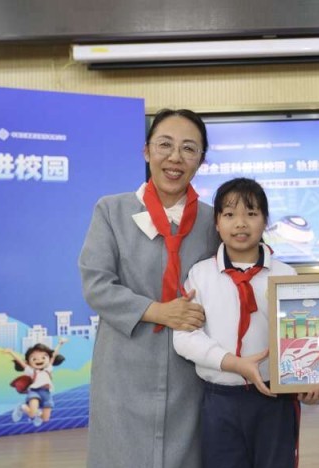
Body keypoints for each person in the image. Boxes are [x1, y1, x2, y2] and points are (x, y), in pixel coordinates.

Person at [79, 109, 220, 468]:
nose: (175, 158)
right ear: (146, 151)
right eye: (165, 145)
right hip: (123, 369)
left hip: (188, 372)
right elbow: (96, 283)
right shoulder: (111, 210)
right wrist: (158, 311)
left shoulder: (213, 220)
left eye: (189, 148)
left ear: (201, 159)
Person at [173, 178, 319, 468]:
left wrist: (314, 381)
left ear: (266, 221)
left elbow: (307, 338)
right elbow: (184, 337)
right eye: (230, 214)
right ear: (216, 223)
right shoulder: (200, 274)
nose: (240, 223)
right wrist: (234, 363)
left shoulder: (286, 276)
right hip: (219, 400)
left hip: (275, 399)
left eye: (252, 214)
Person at [3, 338, 68, 426]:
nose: (39, 360)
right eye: (34, 359)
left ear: (48, 358)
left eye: (43, 357)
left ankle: (38, 414)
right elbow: (21, 362)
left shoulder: (48, 369)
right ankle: (22, 406)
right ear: (29, 362)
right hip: (35, 392)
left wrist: (60, 344)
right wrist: (11, 352)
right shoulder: (31, 371)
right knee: (32, 413)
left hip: (47, 393)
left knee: (45, 418)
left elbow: (54, 355)